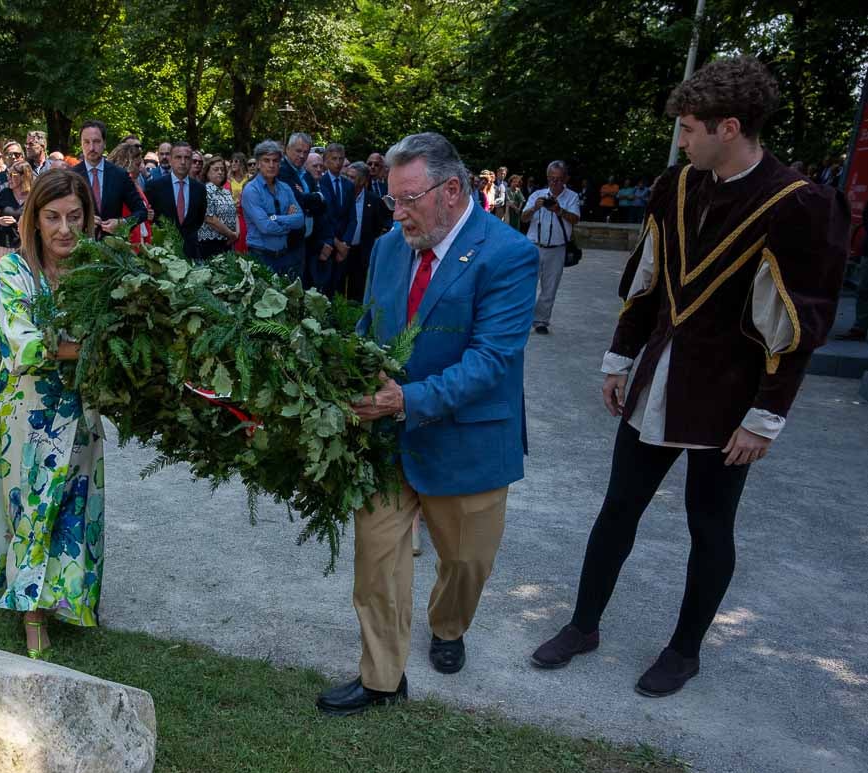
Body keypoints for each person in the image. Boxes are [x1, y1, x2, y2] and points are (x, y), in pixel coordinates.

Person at [530, 56, 851, 697]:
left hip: (730, 401)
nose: (680, 139)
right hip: (657, 382)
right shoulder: (676, 186)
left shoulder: (800, 204)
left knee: (709, 525)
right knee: (618, 509)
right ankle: (584, 625)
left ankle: (684, 650)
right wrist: (620, 360)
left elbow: (798, 327)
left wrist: (765, 416)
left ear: (728, 127)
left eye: (688, 128)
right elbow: (646, 286)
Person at [317, 131, 538, 715]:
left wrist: (407, 400)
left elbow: (492, 361)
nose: (400, 212)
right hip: (390, 441)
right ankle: (382, 677)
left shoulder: (508, 254)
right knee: (377, 561)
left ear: (453, 190)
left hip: (468, 443)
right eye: (393, 199)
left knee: (466, 563)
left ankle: (448, 624)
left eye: (410, 198)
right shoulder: (389, 247)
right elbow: (369, 331)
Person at [0, 170, 104, 656]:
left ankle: (65, 599)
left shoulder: (96, 274)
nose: (64, 228)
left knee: (74, 503)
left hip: (81, 410)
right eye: (52, 217)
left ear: (88, 219)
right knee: (34, 506)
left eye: (74, 216)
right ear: (34, 219)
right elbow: (23, 343)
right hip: (29, 413)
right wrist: (90, 346)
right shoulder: (14, 272)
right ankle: (31, 615)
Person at [521, 159, 580, 334]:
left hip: (557, 248)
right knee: (526, 285)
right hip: (534, 246)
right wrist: (534, 208)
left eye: (559, 179)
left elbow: (575, 219)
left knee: (550, 287)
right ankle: (522, 319)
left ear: (566, 179)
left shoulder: (572, 197)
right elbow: (524, 218)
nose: (554, 183)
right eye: (551, 178)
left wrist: (559, 211)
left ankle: (541, 321)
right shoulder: (537, 194)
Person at [239, 139, 306, 280]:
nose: (271, 165)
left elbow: (300, 220)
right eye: (266, 160)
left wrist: (276, 218)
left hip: (284, 255)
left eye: (275, 161)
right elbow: (265, 227)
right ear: (258, 164)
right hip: (261, 256)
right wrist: (288, 224)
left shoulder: (285, 188)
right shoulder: (251, 190)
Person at [70, 119, 145, 238]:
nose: (91, 147)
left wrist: (122, 223)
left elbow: (141, 211)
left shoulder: (119, 175)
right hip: (80, 246)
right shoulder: (71, 176)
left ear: (104, 143)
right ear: (81, 144)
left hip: (113, 247)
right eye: (86, 142)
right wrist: (83, 220)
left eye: (96, 141)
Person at [145, 140, 207, 259]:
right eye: (178, 157)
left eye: (187, 158)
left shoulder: (199, 188)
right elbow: (151, 219)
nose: (183, 162)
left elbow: (199, 219)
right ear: (171, 160)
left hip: (191, 252)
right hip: (163, 253)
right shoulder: (154, 187)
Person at [278, 133, 325, 289]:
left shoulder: (305, 174)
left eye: (306, 152)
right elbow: (297, 200)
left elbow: (322, 205)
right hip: (289, 240)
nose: (302, 155)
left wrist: (310, 197)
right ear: (287, 149)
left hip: (307, 241)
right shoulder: (282, 171)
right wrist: (314, 197)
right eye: (298, 151)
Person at [339, 161, 389, 302]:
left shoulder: (373, 200)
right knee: (338, 288)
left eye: (352, 178)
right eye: (346, 176)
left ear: (363, 181)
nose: (347, 181)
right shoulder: (341, 195)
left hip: (361, 252)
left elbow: (380, 225)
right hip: (341, 249)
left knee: (358, 288)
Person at [316, 143, 355, 295]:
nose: (338, 163)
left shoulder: (348, 185)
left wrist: (345, 244)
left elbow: (352, 218)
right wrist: (336, 243)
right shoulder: (319, 182)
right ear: (325, 161)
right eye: (334, 159)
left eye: (341, 159)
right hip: (326, 244)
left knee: (339, 289)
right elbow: (323, 218)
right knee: (324, 289)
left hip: (343, 246)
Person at [106, 143, 153, 246]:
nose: (141, 169)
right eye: (137, 164)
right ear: (127, 163)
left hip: (139, 241)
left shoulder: (134, 184)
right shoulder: (116, 185)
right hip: (127, 242)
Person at [0, 161, 32, 259]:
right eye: (8, 174)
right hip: (4, 245)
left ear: (24, 176)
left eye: (13, 175)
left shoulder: (33, 196)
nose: (9, 178)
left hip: (28, 246)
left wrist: (21, 222)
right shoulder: (5, 193)